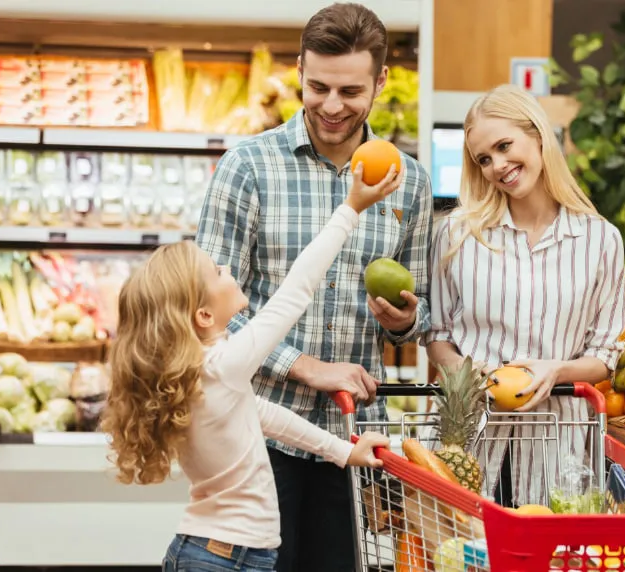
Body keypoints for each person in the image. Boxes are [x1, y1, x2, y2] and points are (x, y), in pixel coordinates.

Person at [193, 3, 433, 570]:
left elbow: (419, 311)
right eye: (318, 85)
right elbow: (202, 309)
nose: (330, 105)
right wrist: (300, 363)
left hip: (351, 440)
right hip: (254, 432)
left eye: (350, 91)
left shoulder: (410, 181)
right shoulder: (247, 167)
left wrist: (404, 321)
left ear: (379, 83)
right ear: (299, 70)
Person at [101, 164, 401, 571]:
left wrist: (344, 453)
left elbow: (266, 415)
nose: (227, 270)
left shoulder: (204, 372)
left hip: (214, 553)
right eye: (217, 271)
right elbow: (296, 290)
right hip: (226, 560)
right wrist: (350, 208)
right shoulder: (221, 367)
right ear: (204, 315)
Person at [422, 84, 625, 507]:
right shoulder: (458, 235)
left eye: (503, 146)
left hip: (558, 446)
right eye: (484, 158)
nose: (498, 165)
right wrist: (468, 375)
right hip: (470, 441)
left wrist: (557, 370)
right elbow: (437, 334)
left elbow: (606, 355)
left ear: (536, 134)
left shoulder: (600, 240)